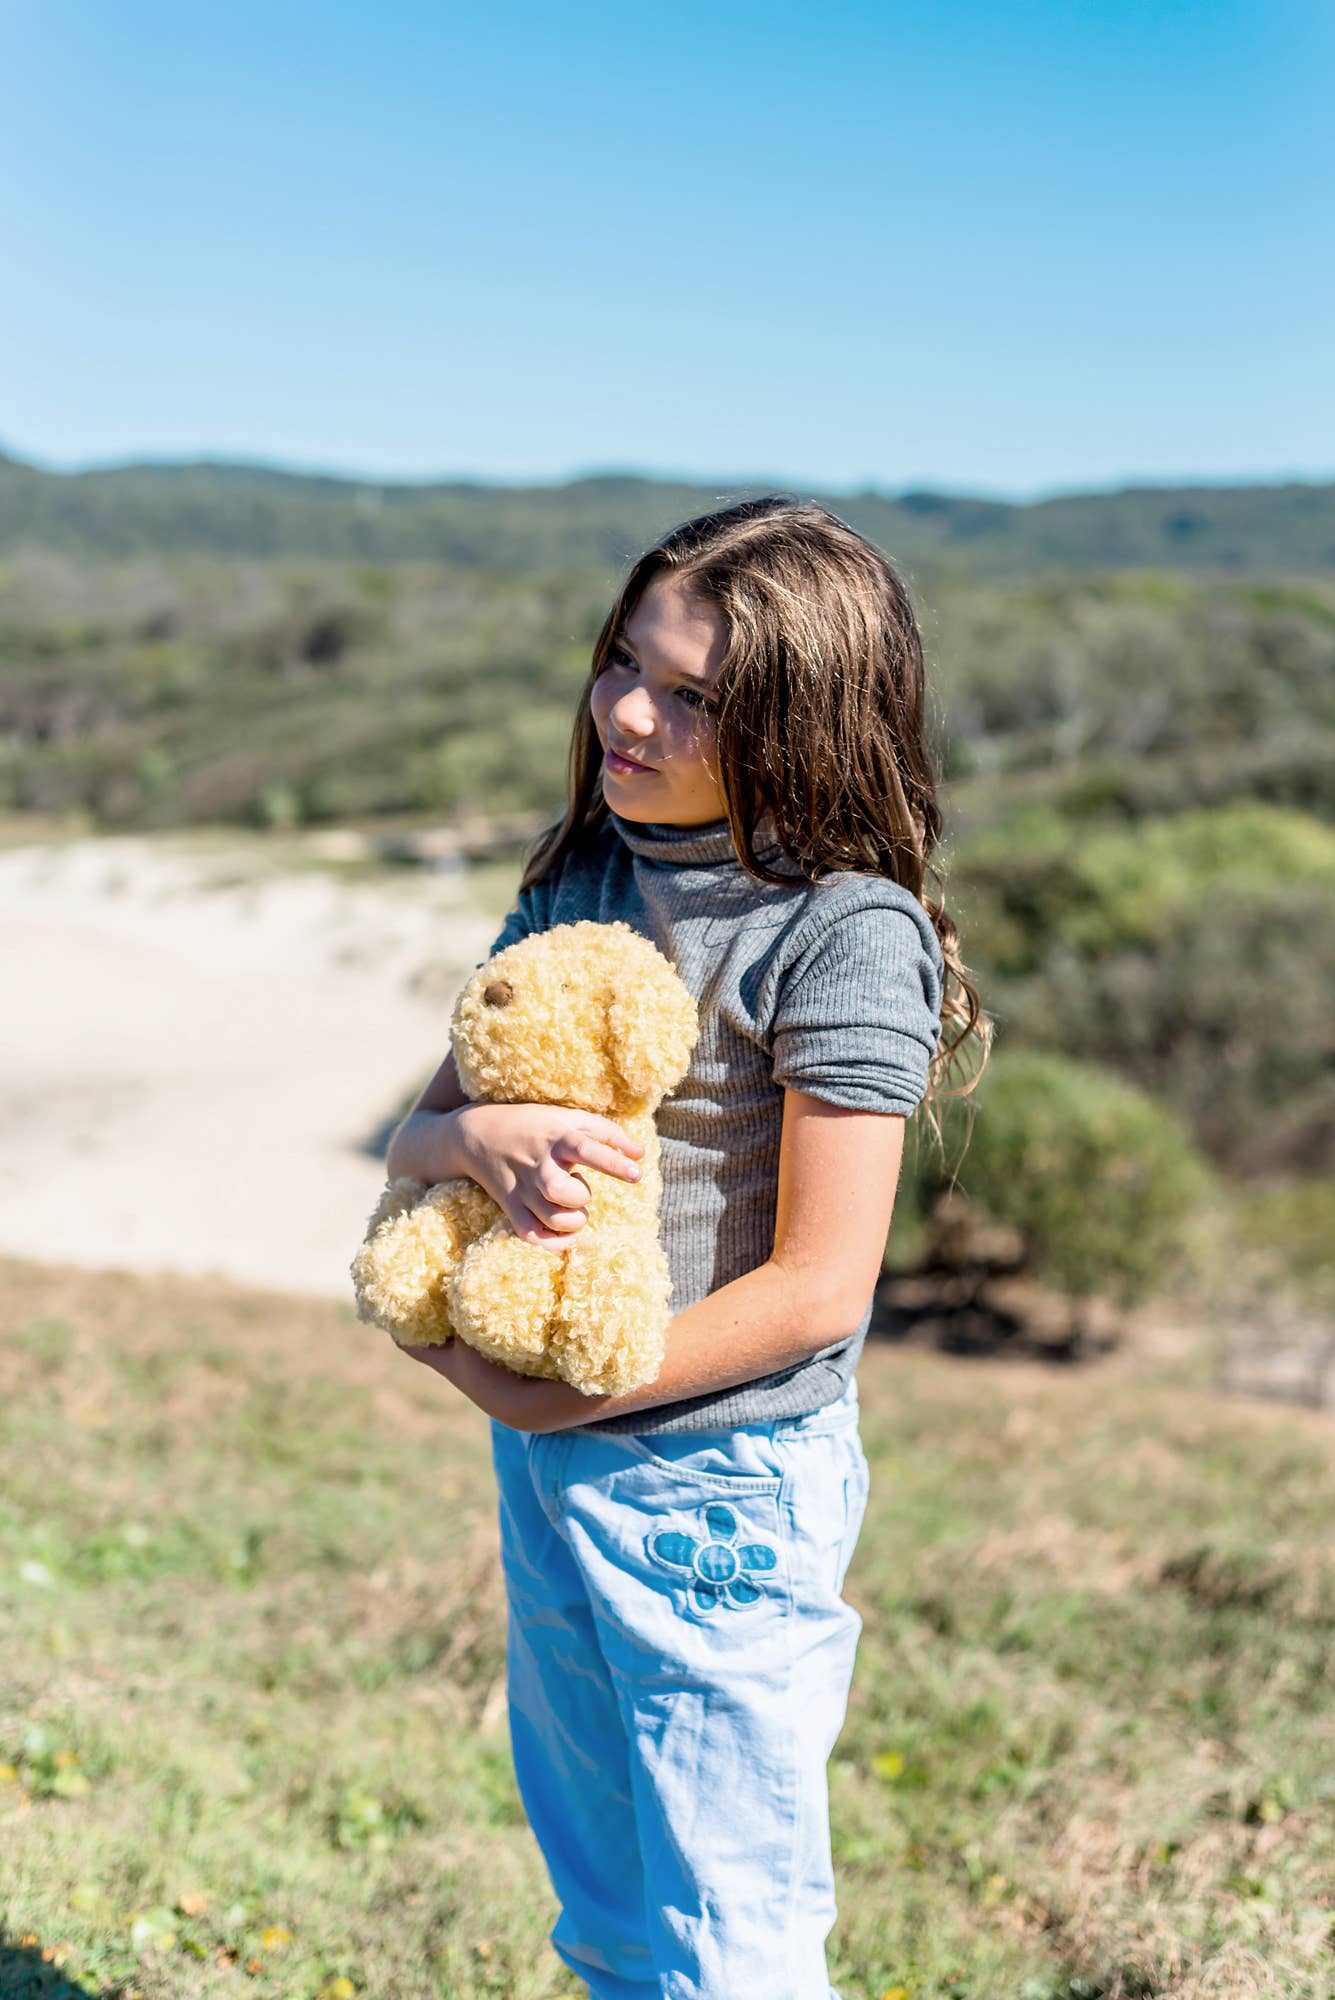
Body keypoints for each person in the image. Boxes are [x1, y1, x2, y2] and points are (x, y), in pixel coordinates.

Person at [387, 497, 988, 1999]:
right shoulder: (582, 878)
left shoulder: (841, 932)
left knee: (733, 1945)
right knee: (607, 1919)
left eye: (693, 696)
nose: (627, 712)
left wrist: (572, 1395)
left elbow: (820, 1291)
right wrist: (476, 1145)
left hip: (718, 1481)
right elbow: (414, 1137)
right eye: (624, 663)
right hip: (551, 1457)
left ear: (804, 724)